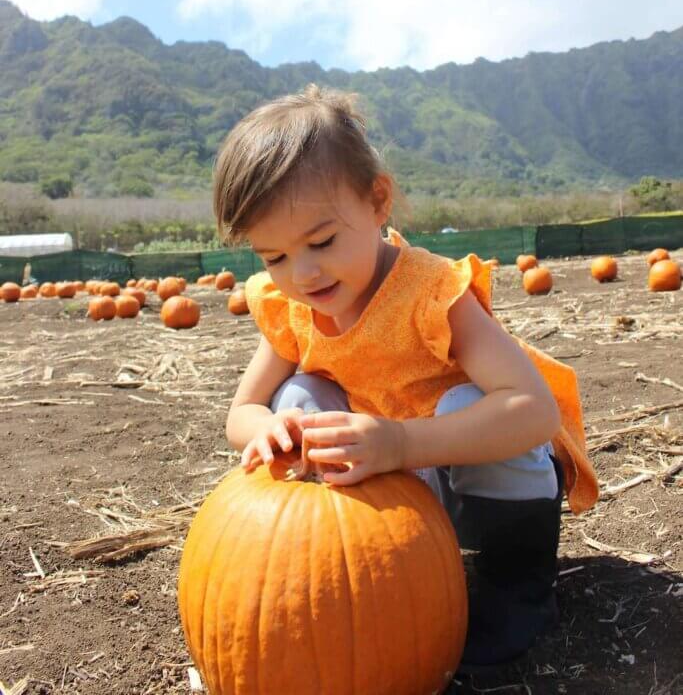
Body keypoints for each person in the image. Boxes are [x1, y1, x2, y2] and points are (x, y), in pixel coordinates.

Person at [213, 84, 598, 672]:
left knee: (466, 400)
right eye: (274, 257)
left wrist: (398, 442)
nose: (304, 272)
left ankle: (519, 594)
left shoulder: (431, 291)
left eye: (321, 241)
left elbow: (532, 410)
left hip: (483, 484)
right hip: (395, 495)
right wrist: (268, 429)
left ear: (378, 202)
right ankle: (375, 585)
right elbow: (241, 411)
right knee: (298, 396)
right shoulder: (289, 307)